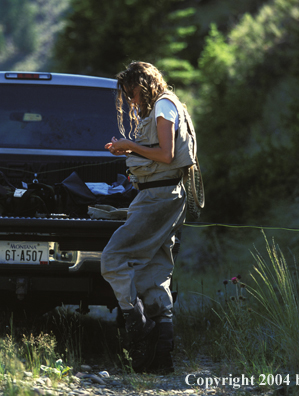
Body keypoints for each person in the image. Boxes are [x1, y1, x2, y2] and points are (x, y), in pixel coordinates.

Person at [101, 61, 196, 374]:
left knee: (113, 258)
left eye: (133, 93)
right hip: (167, 196)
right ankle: (161, 360)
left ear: (143, 85)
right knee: (156, 272)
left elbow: (166, 155)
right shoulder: (169, 105)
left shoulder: (163, 108)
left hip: (158, 198)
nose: (132, 100)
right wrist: (131, 156)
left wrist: (129, 145)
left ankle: (137, 322)